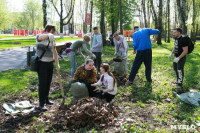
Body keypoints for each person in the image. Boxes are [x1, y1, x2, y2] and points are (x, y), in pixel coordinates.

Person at [36, 24, 56, 110]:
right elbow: (40, 37)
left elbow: (55, 50)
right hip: (42, 64)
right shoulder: (40, 36)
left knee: (48, 82)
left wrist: (57, 62)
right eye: (51, 31)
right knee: (42, 83)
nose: (53, 33)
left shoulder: (52, 39)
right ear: (47, 30)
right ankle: (41, 103)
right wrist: (48, 35)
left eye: (53, 32)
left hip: (50, 63)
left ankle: (46, 99)